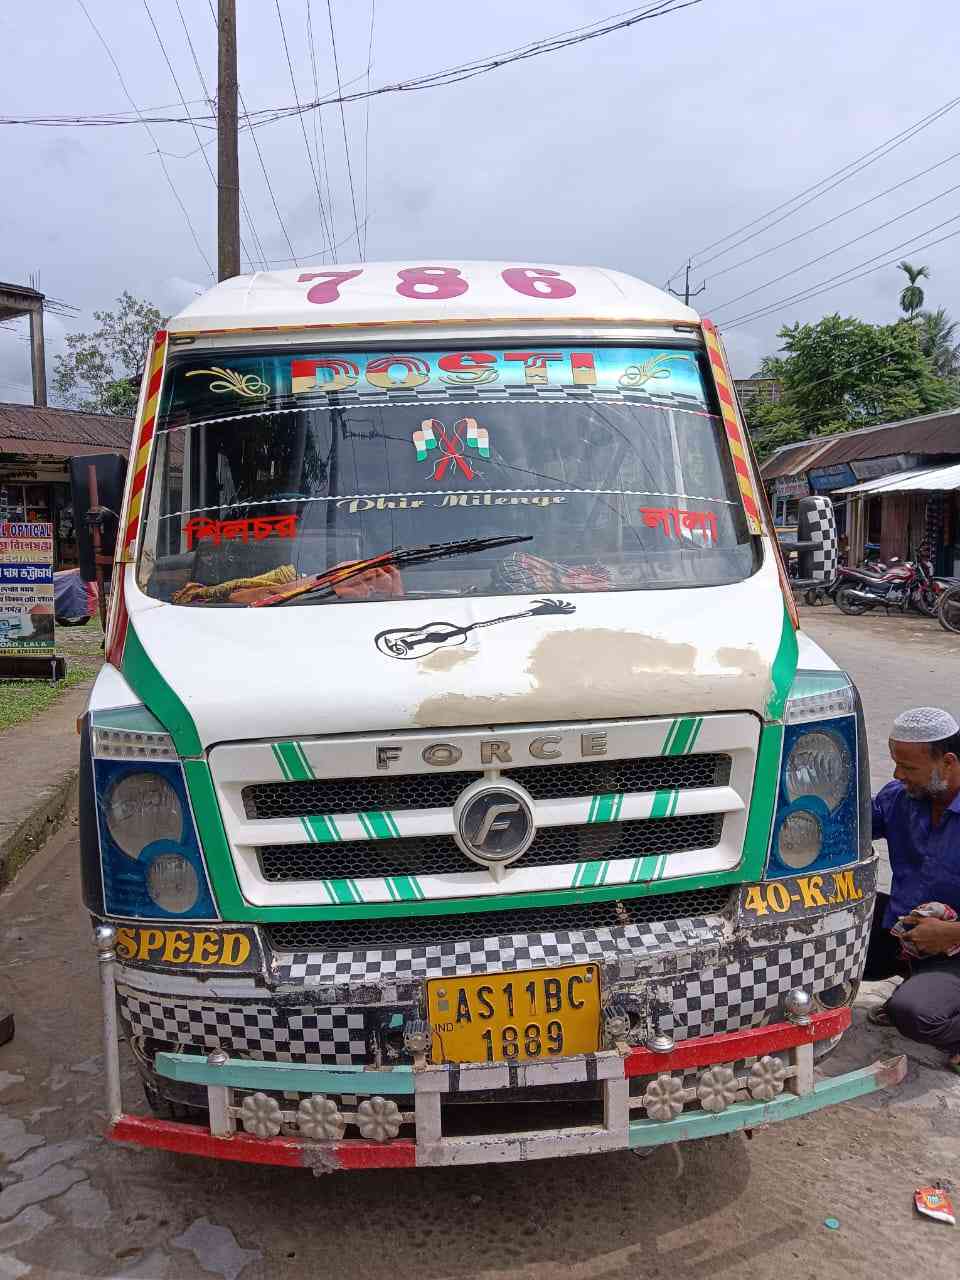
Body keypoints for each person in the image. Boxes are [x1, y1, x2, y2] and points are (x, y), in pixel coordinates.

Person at [865, 706, 960, 1074]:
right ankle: (918, 980)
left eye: (908, 767)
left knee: (916, 1014)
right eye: (895, 764)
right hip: (908, 931)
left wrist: (951, 933)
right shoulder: (900, 797)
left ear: (947, 763)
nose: (897, 775)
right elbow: (851, 829)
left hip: (954, 947)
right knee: (826, 931)